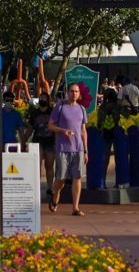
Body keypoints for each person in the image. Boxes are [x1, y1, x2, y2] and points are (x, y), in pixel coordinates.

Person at [46, 81, 89, 217]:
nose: (74, 94)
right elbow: (50, 126)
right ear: (67, 92)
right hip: (62, 147)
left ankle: (75, 207)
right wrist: (62, 130)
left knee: (77, 177)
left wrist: (86, 150)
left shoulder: (82, 109)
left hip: (78, 148)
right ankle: (55, 194)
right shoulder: (60, 107)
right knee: (61, 178)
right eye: (72, 91)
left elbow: (83, 131)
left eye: (76, 91)